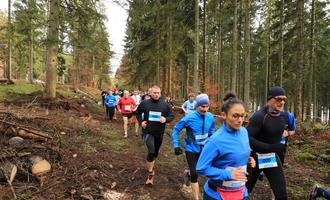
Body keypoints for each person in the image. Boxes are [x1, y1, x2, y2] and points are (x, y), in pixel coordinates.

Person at [196, 92, 256, 200]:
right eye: (235, 116)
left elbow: (236, 154)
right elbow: (201, 168)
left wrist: (247, 160)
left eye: (242, 116)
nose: (240, 120)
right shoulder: (216, 140)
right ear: (224, 115)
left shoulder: (244, 132)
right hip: (217, 195)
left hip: (241, 193)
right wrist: (227, 174)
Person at [246, 86, 292, 200]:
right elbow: (247, 138)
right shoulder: (260, 116)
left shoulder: (284, 116)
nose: (281, 102)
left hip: (271, 158)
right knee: (244, 192)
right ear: (269, 99)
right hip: (254, 158)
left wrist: (279, 148)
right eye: (278, 99)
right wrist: (270, 147)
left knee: (281, 194)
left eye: (283, 99)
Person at [172, 93, 215, 200]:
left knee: (203, 171)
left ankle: (188, 174)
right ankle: (196, 198)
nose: (204, 109)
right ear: (197, 106)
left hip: (204, 149)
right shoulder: (189, 118)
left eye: (206, 106)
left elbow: (211, 132)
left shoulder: (210, 117)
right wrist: (176, 145)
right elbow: (176, 129)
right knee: (195, 174)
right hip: (191, 149)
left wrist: (212, 142)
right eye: (202, 106)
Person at [135, 85, 174, 185]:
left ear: (160, 94)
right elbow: (137, 113)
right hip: (148, 132)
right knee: (151, 152)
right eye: (154, 93)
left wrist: (165, 119)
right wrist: (141, 122)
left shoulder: (165, 105)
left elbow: (171, 116)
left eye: (158, 93)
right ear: (150, 93)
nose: (156, 95)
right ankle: (150, 173)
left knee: (155, 153)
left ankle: (151, 163)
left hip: (159, 133)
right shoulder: (144, 103)